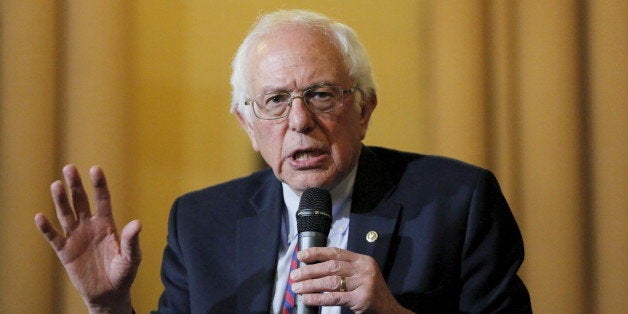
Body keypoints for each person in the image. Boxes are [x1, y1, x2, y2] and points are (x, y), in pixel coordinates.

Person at [34, 9, 531, 314]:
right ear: (246, 123)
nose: (299, 121)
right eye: (274, 101)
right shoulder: (201, 222)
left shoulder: (456, 202)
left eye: (320, 95)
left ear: (364, 109)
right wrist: (110, 307)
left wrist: (391, 313)